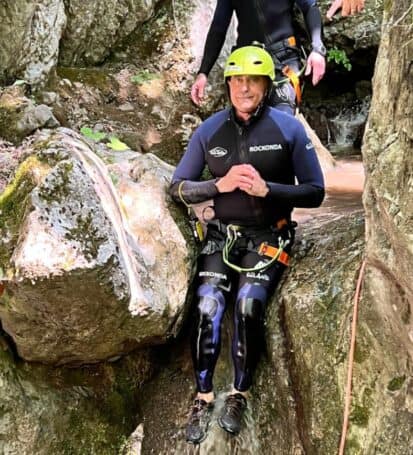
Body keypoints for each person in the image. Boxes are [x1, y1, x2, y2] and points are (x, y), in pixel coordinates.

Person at [170, 45, 325, 444]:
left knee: (248, 306)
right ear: (228, 85)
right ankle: (203, 395)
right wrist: (217, 186)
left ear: (266, 85)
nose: (244, 88)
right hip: (222, 237)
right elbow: (178, 188)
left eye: (252, 80)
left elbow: (316, 192)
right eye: (237, 80)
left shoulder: (288, 129)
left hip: (268, 236)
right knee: (206, 307)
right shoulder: (209, 131)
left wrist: (268, 188)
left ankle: (238, 392)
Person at [191, 0, 327, 115]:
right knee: (246, 122)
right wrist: (203, 72)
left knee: (282, 118)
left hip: (283, 59)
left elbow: (310, 7)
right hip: (247, 64)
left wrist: (318, 49)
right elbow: (218, 28)